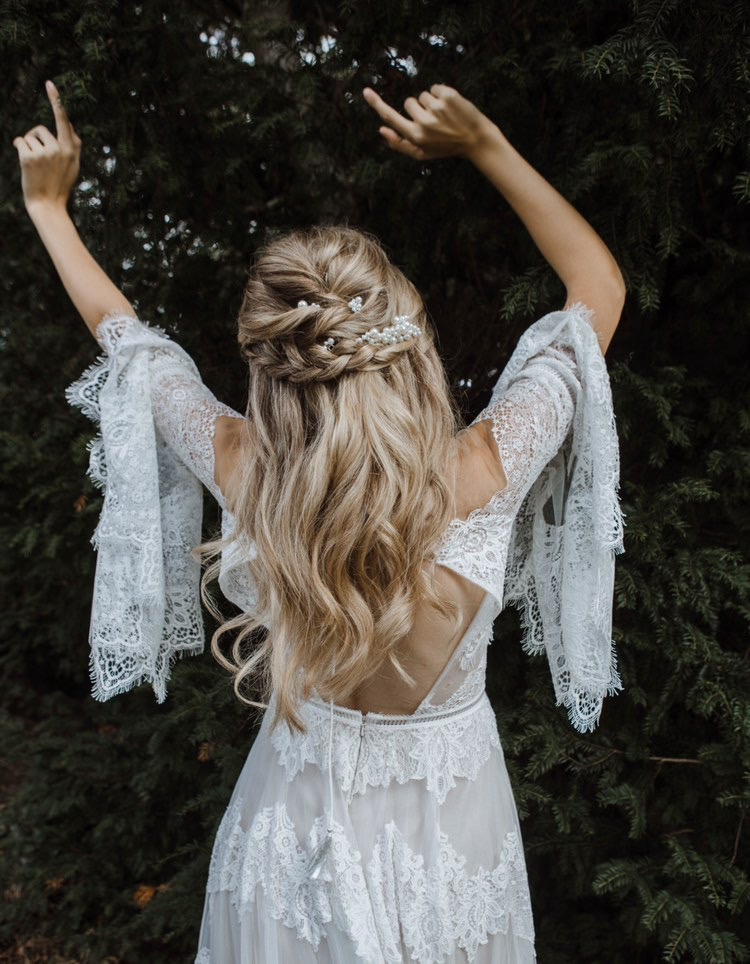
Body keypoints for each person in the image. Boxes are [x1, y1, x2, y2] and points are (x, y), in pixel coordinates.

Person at [13, 78, 626, 963]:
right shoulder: (487, 468)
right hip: (456, 847)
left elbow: (129, 343)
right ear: (409, 351)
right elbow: (596, 287)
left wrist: (49, 210)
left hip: (288, 844)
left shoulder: (241, 465)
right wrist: (485, 143)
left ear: (268, 369)